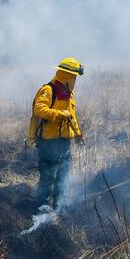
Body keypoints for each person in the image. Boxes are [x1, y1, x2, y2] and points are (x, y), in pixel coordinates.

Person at [28, 58, 85, 210]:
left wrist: (78, 134)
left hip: (64, 141)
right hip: (48, 141)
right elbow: (39, 110)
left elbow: (71, 116)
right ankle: (42, 208)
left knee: (63, 174)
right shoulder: (48, 90)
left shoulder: (68, 93)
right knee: (48, 175)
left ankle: (59, 206)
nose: (75, 80)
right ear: (67, 76)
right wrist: (59, 114)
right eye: (74, 77)